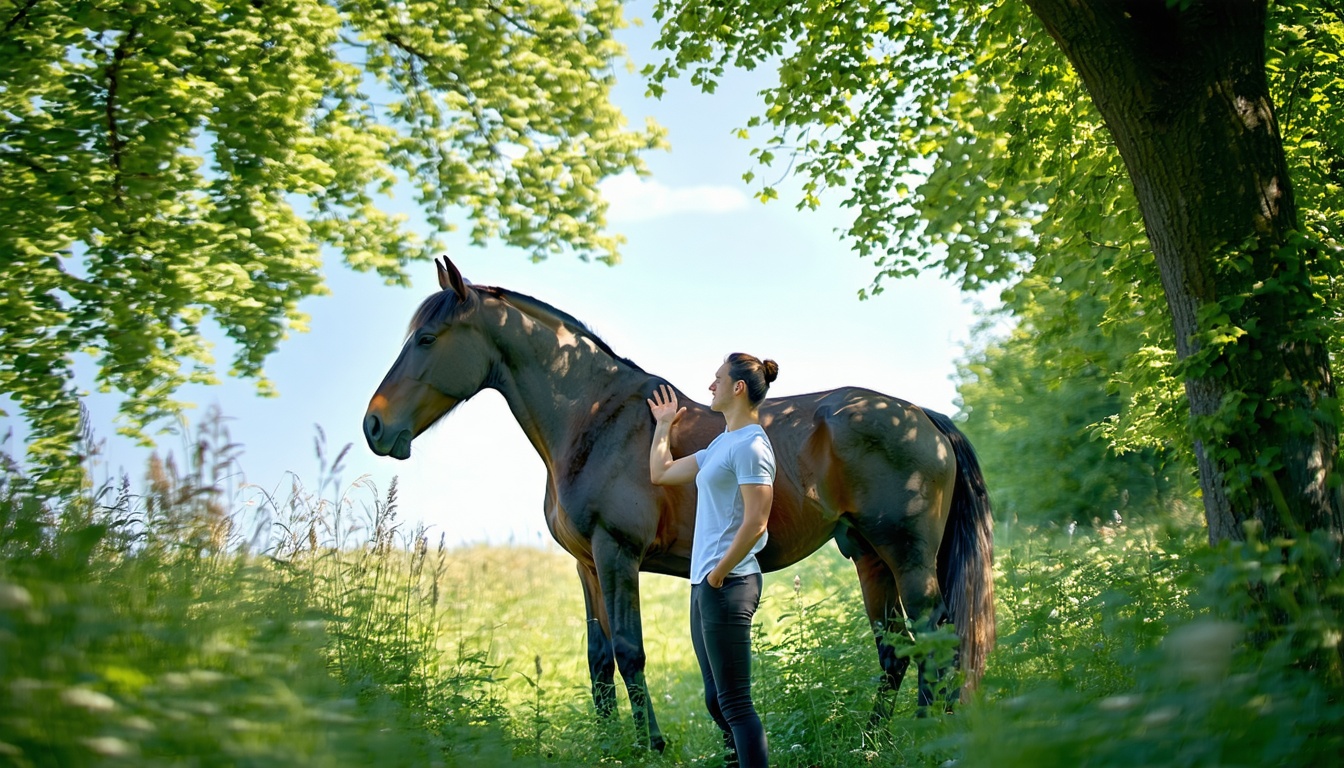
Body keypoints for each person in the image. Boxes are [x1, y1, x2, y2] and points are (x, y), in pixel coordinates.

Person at [647, 352, 779, 768]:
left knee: (736, 704)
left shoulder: (753, 447)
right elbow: (661, 472)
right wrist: (664, 426)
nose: (710, 385)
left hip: (730, 582)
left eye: (717, 378)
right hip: (705, 583)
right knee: (716, 700)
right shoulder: (723, 443)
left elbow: (757, 522)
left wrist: (719, 574)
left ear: (737, 387)